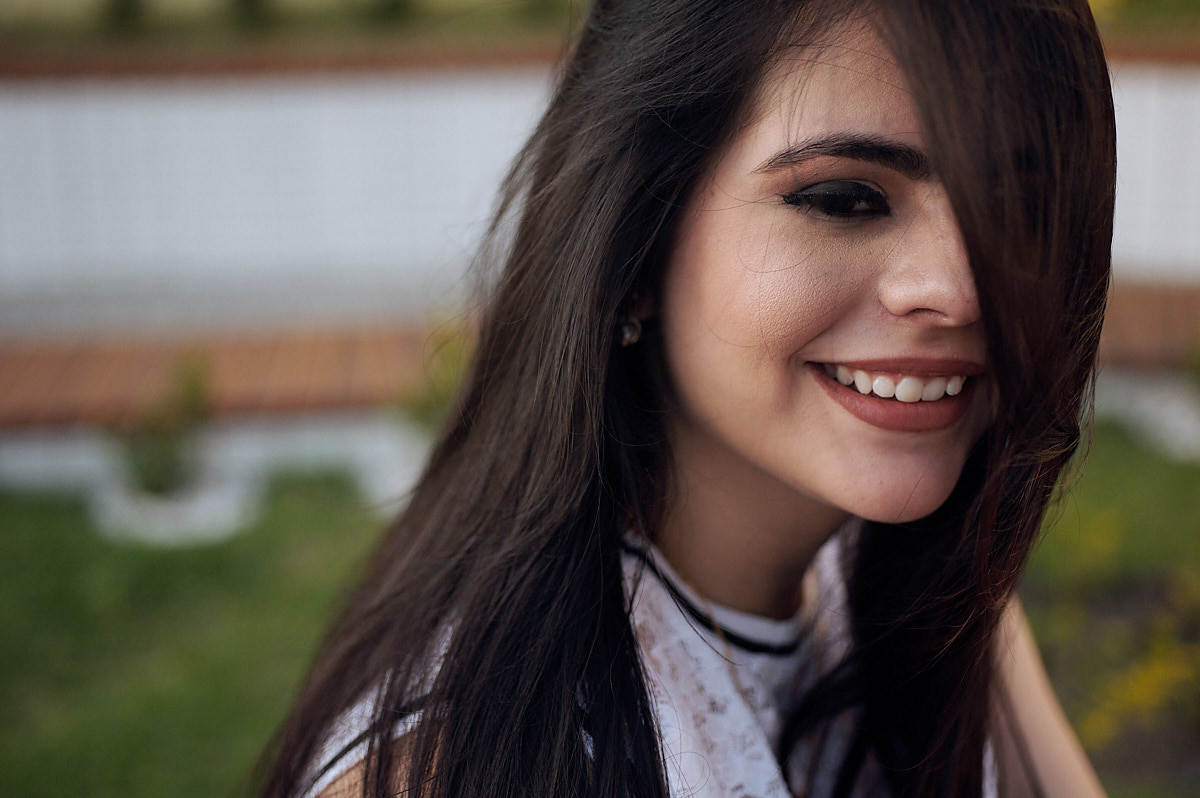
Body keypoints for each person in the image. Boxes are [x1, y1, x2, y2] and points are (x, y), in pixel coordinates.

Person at [257, 0, 1116, 795]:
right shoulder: (466, 762)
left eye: (1018, 206)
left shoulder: (931, 597)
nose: (961, 289)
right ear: (637, 245)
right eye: (845, 200)